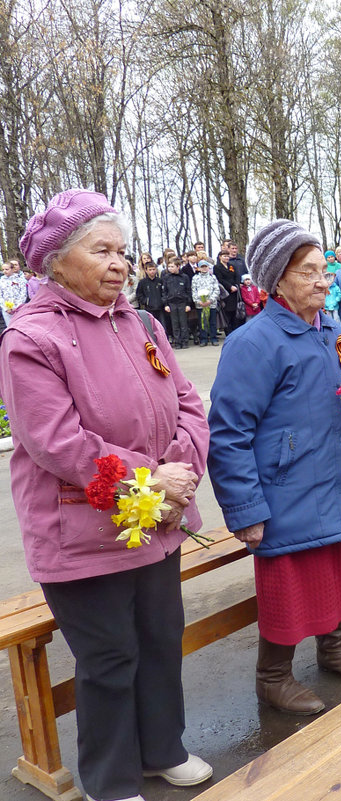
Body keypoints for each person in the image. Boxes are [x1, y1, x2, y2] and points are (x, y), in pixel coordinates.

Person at [0, 189, 213, 800]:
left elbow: (189, 405)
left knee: (158, 642)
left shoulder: (140, 321)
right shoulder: (30, 339)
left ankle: (161, 751)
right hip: (82, 534)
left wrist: (178, 466)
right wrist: (150, 476)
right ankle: (111, 780)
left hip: (159, 523)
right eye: (103, 251)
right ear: (57, 260)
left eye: (124, 251)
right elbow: (56, 443)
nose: (120, 263)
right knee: (110, 659)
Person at [208, 219, 341, 716]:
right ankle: (273, 677)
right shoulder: (254, 343)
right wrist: (245, 509)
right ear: (277, 278)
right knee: (287, 584)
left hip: (329, 480)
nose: (324, 280)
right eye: (308, 272)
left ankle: (333, 650)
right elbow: (228, 434)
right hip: (283, 489)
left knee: (335, 566)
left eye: (324, 269)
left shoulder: (330, 328)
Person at [163, 257, 193, 349]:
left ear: (178, 266)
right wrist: (166, 304)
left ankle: (185, 341)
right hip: (172, 303)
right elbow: (164, 292)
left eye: (172, 266)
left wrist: (188, 304)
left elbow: (188, 291)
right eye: (169, 267)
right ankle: (177, 342)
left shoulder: (184, 277)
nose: (170, 268)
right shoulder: (167, 277)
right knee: (175, 323)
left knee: (183, 323)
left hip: (182, 302)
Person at [191, 260, 220, 346]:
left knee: (212, 322)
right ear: (199, 268)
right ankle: (203, 339)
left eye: (205, 266)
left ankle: (213, 338)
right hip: (200, 305)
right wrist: (199, 301)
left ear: (208, 267)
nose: (204, 268)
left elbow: (216, 289)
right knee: (202, 322)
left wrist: (210, 300)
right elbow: (194, 291)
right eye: (202, 267)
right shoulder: (195, 278)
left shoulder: (213, 277)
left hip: (211, 304)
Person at [135, 259, 166, 327]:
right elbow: (139, 294)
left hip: (160, 308)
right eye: (150, 269)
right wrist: (146, 301)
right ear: (146, 271)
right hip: (149, 308)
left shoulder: (160, 281)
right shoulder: (142, 282)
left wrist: (162, 301)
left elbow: (164, 293)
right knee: (151, 326)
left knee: (162, 326)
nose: (152, 271)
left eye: (153, 269)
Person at [0, 257, 28, 324]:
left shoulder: (20, 279)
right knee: (10, 326)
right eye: (3, 269)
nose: (4, 271)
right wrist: (5, 308)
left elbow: (23, 293)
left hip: (18, 308)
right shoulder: (1, 280)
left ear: (12, 269)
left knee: (20, 325)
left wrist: (17, 306)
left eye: (7, 269)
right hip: (7, 310)